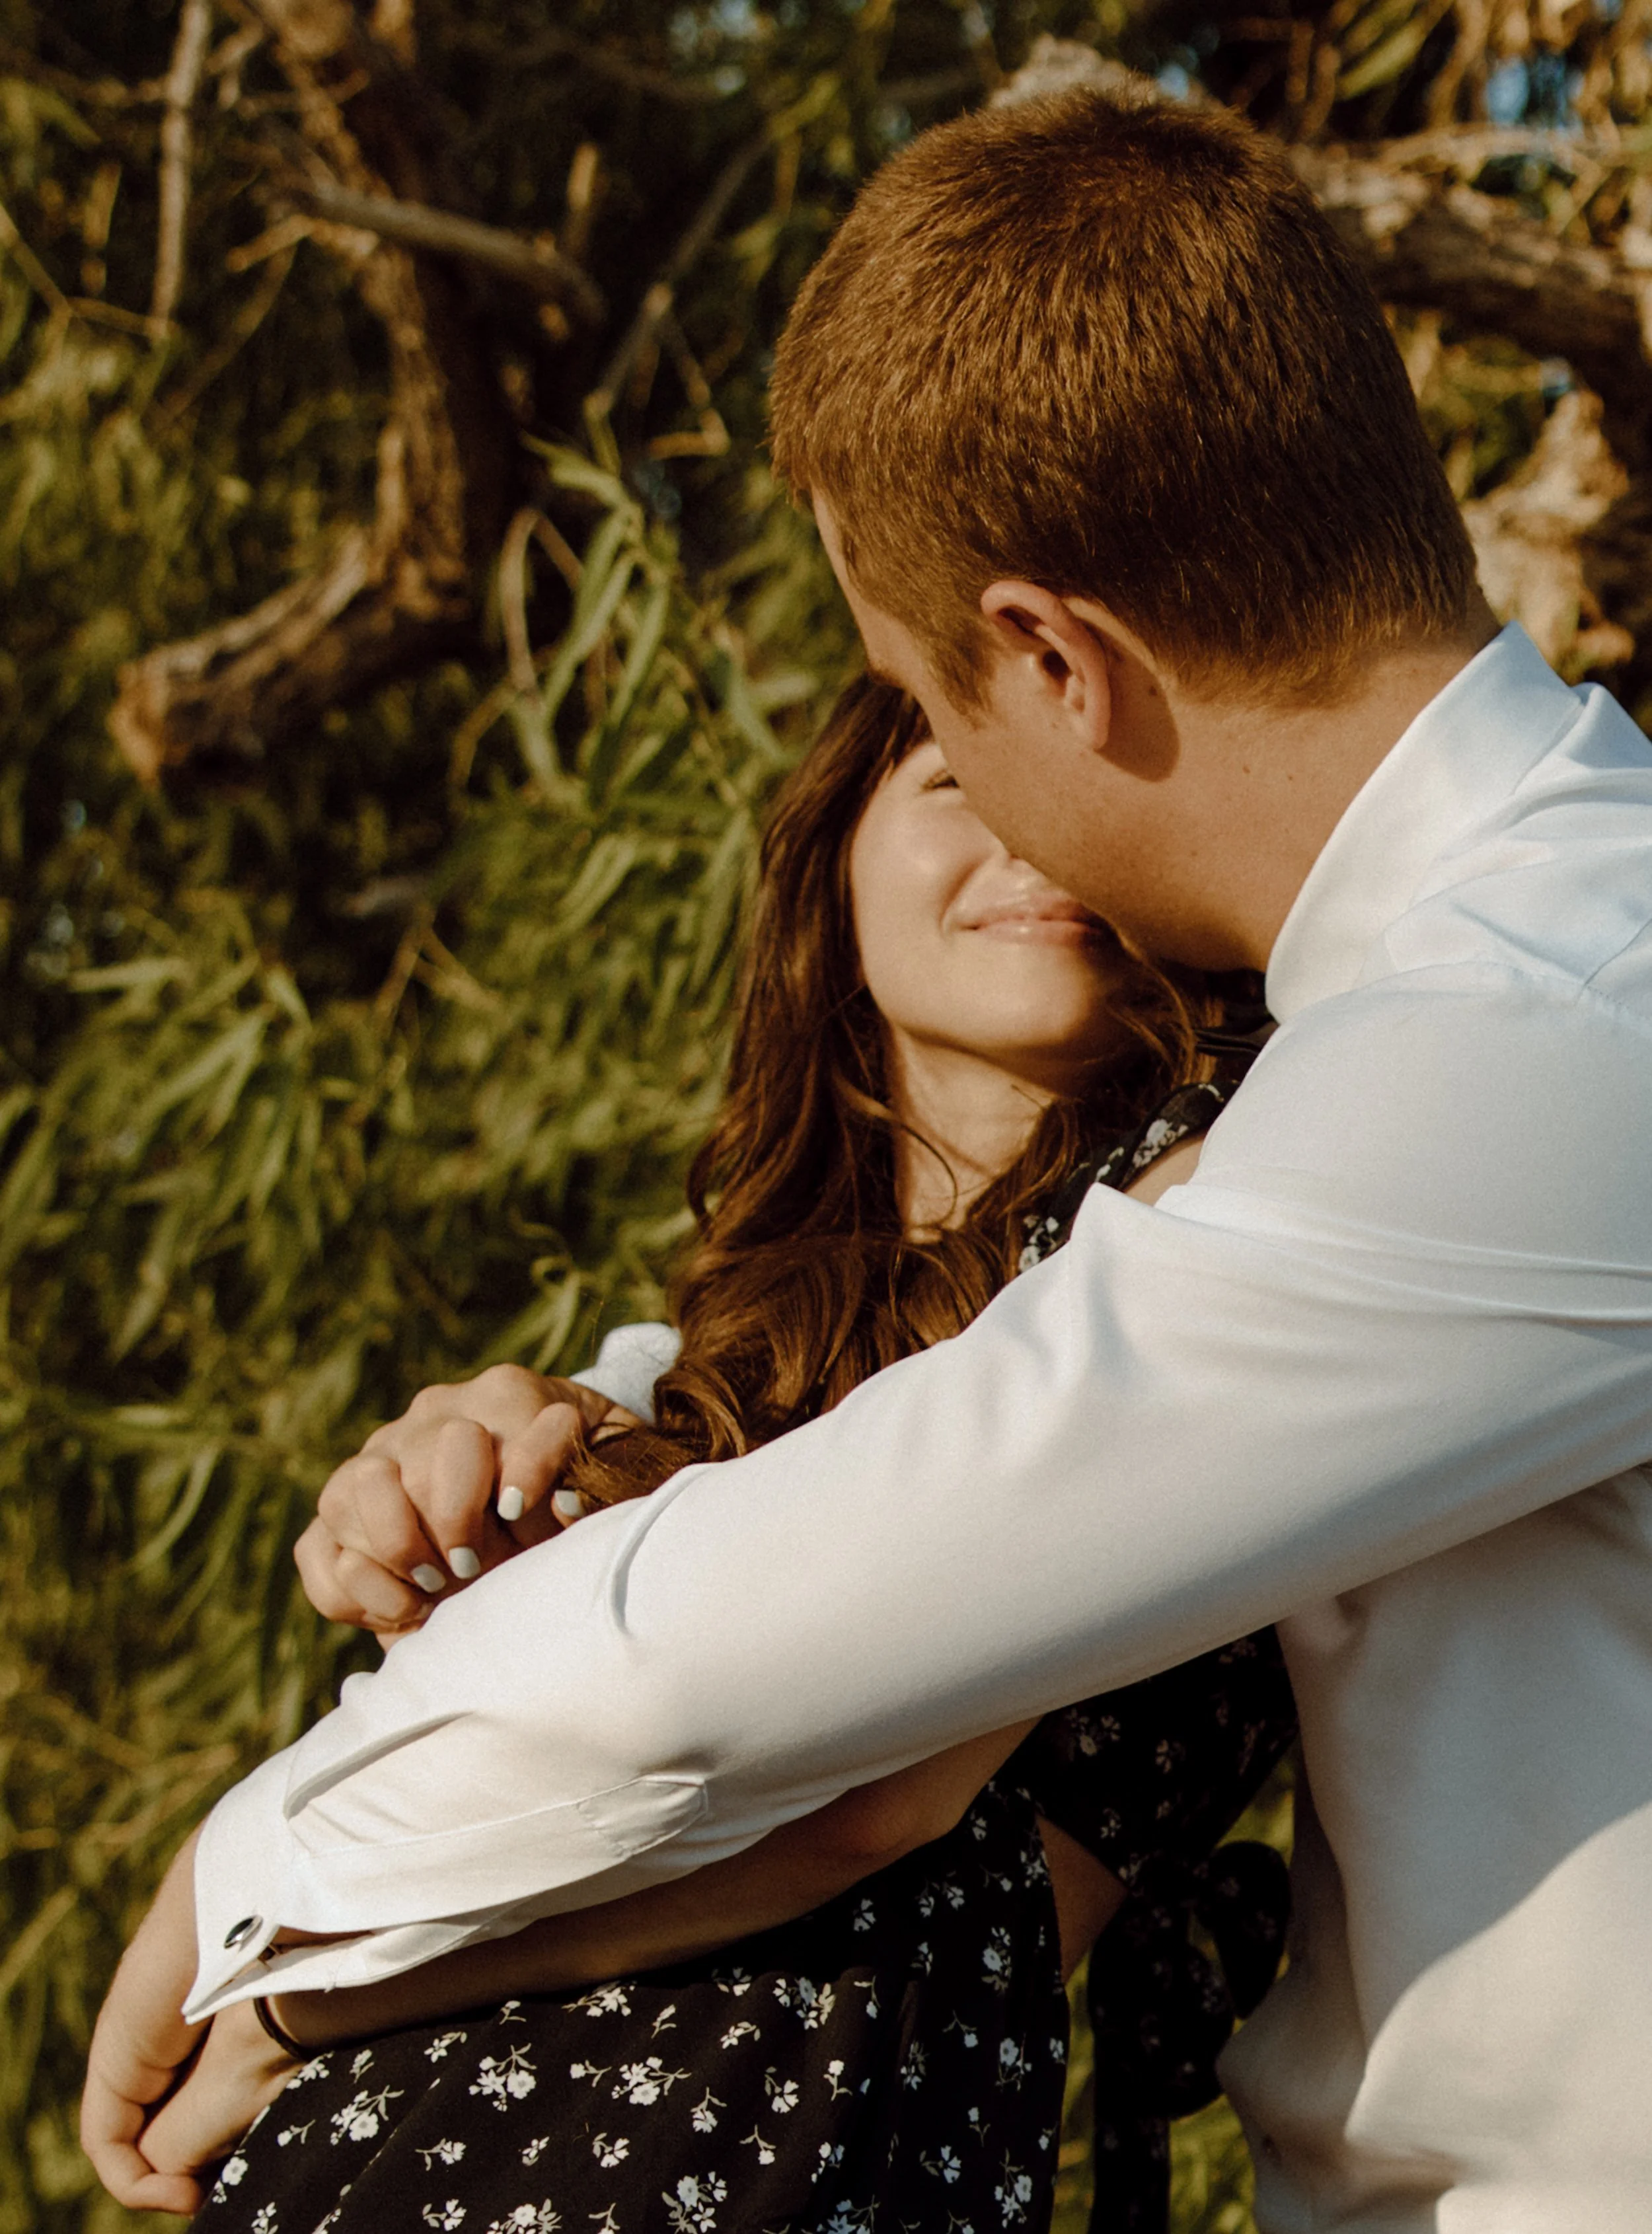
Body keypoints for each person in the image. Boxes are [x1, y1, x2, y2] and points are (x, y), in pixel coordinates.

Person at [86, 80, 1652, 2232]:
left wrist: (265, 1871)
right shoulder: (1499, 987)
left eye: (933, 696)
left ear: (1050, 659)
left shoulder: (1549, 1017)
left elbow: (775, 1649)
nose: (988, 820)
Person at [121, 677, 1294, 2232]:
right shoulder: (690, 1367)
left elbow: (859, 1810)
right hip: (415, 2137)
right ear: (833, 864)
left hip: (750, 2121)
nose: (1029, 831)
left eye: (1077, 789)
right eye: (956, 782)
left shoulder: (1212, 1218)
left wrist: (296, 1994)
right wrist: (437, 1532)